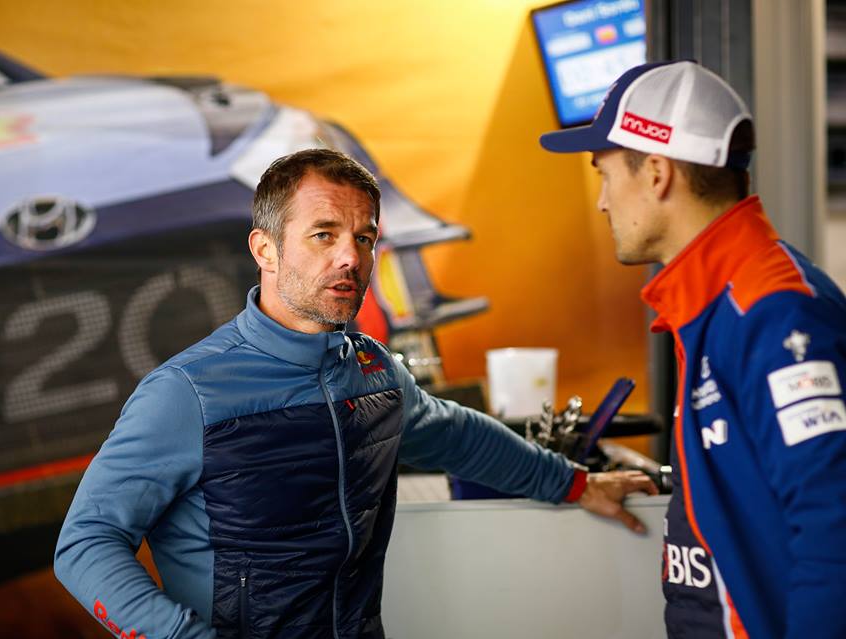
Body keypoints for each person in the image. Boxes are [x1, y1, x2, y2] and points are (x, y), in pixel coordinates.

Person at [54, 148, 656, 639]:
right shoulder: (186, 392)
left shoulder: (371, 369)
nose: (351, 258)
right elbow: (85, 546)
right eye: (324, 235)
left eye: (364, 238)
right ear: (265, 249)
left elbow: (455, 434)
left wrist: (574, 483)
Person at [540, 60, 846, 639]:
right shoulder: (709, 307)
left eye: (605, 174)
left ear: (657, 173)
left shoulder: (773, 311)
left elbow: (835, 532)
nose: (603, 201)